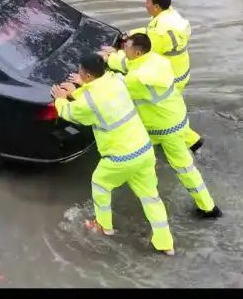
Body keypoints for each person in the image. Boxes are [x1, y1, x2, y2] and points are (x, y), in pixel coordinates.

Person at [51, 53, 175, 255]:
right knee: (151, 197)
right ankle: (165, 243)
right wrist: (80, 89)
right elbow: (102, 99)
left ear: (88, 75)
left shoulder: (88, 100)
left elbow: (72, 113)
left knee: (100, 184)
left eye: (81, 71)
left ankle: (103, 226)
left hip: (120, 157)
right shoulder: (116, 79)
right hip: (143, 149)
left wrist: (61, 100)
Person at [102, 33, 221, 219]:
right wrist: (111, 57)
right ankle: (205, 206)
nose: (124, 50)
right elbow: (129, 64)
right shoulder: (156, 60)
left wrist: (98, 75)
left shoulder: (137, 79)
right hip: (177, 118)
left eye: (127, 48)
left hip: (163, 128)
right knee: (149, 157)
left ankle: (208, 207)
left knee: (183, 167)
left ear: (138, 52)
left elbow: (118, 87)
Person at [126, 0, 203, 151]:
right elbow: (149, 33)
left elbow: (143, 51)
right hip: (180, 73)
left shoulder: (161, 32)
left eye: (147, 1)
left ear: (157, 6)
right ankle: (193, 141)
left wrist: (118, 52)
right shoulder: (170, 16)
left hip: (170, 77)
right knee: (170, 111)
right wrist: (132, 33)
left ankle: (162, 142)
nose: (145, 4)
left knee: (160, 112)